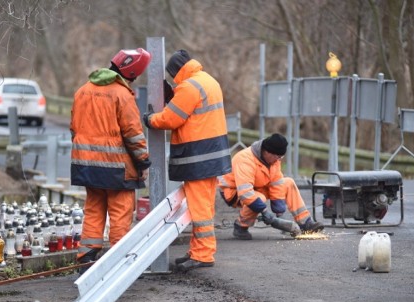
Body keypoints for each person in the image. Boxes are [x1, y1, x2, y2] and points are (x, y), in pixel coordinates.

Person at [144, 49, 232, 272]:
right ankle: (198, 251)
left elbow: (170, 119)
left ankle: (202, 255)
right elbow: (193, 112)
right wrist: (174, 96)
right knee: (204, 206)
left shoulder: (188, 87)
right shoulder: (207, 81)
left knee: (199, 208)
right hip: (212, 155)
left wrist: (149, 119)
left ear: (176, 71)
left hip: (198, 156)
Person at [70, 48, 152, 272]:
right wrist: (143, 162)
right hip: (117, 168)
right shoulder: (122, 95)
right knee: (120, 213)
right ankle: (119, 261)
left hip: (86, 165)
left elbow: (74, 128)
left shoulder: (83, 91)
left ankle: (86, 257)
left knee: (94, 209)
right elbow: (133, 134)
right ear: (132, 73)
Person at [217, 133, 324, 240]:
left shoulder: (274, 159)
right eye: (277, 156)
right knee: (259, 198)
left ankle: (305, 223)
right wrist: (265, 212)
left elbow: (276, 183)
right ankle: (241, 226)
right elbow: (245, 193)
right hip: (234, 191)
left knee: (288, 182)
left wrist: (279, 212)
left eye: (280, 157)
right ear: (267, 152)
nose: (279, 159)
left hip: (256, 186)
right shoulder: (245, 160)